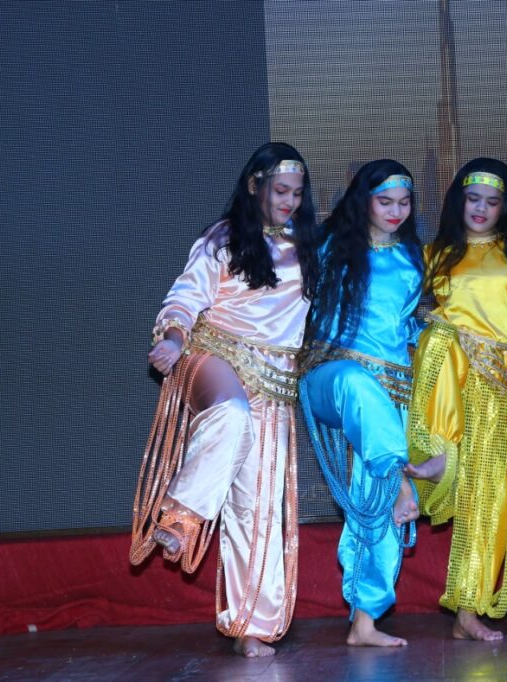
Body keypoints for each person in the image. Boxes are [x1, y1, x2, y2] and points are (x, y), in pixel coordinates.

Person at [129, 142, 320, 657]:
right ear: (255, 186)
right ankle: (180, 514)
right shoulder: (223, 238)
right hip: (213, 356)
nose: (289, 201)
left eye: (297, 193)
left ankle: (249, 626)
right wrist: (172, 338)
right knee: (231, 414)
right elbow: (185, 296)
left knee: (258, 506)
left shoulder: (306, 246)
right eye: (280, 191)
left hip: (273, 381)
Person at [405, 158, 507, 641]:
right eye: (473, 199)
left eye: (492, 202)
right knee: (439, 335)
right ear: (459, 201)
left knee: (488, 492)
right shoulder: (435, 254)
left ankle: (468, 608)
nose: (481, 209)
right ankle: (438, 454)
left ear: (504, 208)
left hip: (497, 386)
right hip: (447, 378)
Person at [298, 160, 422, 647]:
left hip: (388, 393)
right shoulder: (329, 248)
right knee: (356, 383)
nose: (395, 211)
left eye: (404, 203)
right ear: (363, 201)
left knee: (377, 505)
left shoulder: (411, 257)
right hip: (332, 376)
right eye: (384, 201)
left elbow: (406, 325)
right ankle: (400, 478)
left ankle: (364, 622)